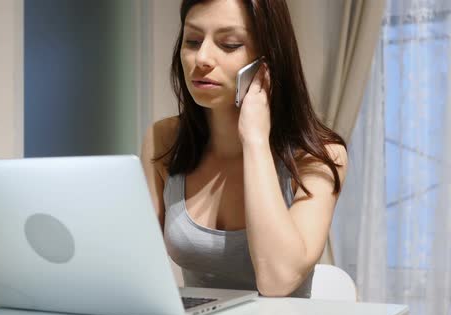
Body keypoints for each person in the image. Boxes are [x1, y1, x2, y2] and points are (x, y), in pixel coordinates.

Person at [140, 0, 348, 298]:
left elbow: (278, 280)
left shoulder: (321, 156)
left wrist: (255, 140)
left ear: (268, 60)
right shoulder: (163, 139)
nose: (202, 58)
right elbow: (140, 264)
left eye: (229, 44)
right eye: (193, 41)